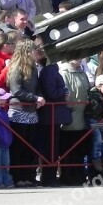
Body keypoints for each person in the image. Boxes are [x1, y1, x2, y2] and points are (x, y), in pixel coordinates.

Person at [7, 38, 45, 186]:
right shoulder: (16, 67)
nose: (36, 53)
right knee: (19, 147)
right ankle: (17, 177)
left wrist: (39, 97)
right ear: (27, 51)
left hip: (32, 111)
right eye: (33, 50)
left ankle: (28, 176)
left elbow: (37, 87)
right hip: (18, 111)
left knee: (30, 146)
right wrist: (35, 98)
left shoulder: (33, 68)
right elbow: (16, 90)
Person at [36, 46, 71, 187]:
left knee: (53, 147)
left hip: (54, 115)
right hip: (50, 115)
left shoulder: (51, 69)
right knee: (50, 148)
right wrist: (65, 90)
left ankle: (50, 176)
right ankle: (48, 177)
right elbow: (52, 92)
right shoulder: (49, 71)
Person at [58, 58, 91, 186]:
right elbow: (66, 94)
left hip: (83, 116)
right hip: (70, 116)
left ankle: (79, 175)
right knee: (68, 148)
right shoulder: (64, 72)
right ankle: (67, 176)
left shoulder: (82, 73)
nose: (78, 58)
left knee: (80, 149)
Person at [0, 87, 14, 188]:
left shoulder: (2, 111)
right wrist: (1, 138)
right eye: (2, 98)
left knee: (5, 163)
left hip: (5, 142)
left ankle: (6, 181)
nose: (5, 100)